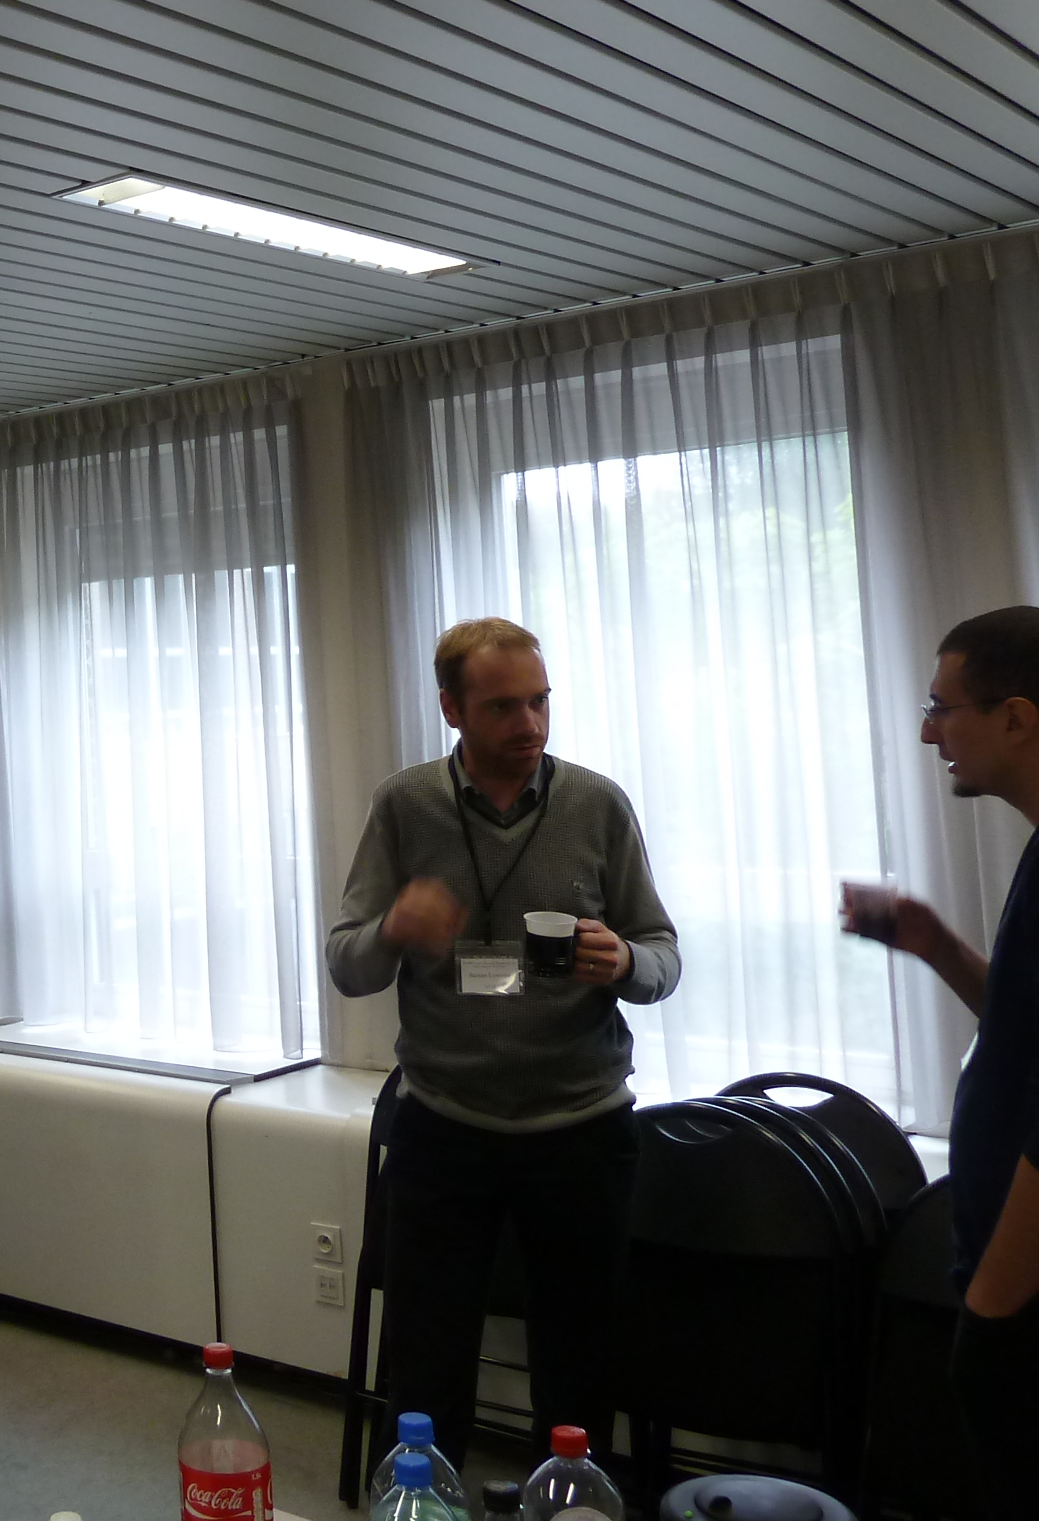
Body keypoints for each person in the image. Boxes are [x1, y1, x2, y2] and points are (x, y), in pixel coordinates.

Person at [326, 617, 681, 1465]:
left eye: (540, 702)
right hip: (444, 1127)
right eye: (502, 707)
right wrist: (393, 929)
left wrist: (625, 960)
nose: (530, 724)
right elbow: (346, 965)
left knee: (579, 1371)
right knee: (425, 1366)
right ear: (451, 709)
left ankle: (570, 1511)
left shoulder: (596, 804)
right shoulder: (404, 805)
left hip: (581, 1129)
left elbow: (664, 956)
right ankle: (426, 1506)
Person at [840, 607, 1039, 1516]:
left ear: (1016, 718)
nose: (928, 732)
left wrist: (993, 1310)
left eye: (942, 707)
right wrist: (939, 948)